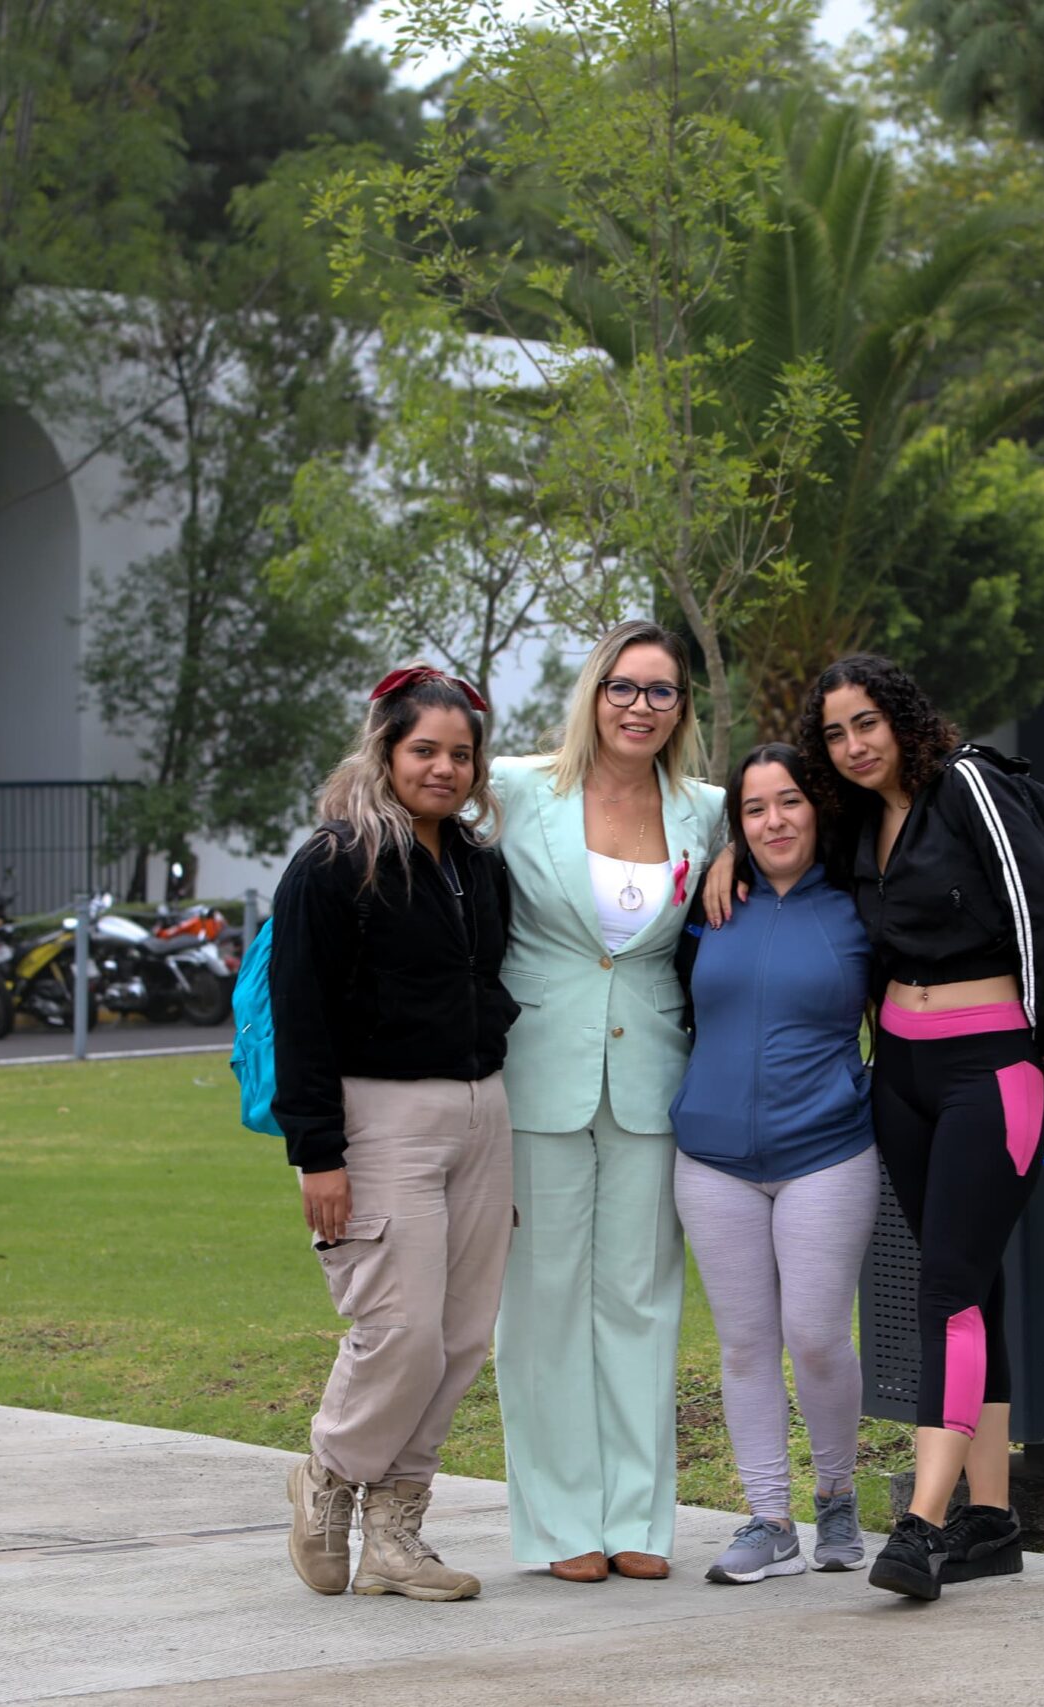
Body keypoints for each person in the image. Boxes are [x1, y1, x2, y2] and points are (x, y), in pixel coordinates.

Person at [800, 653, 1044, 1601]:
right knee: (969, 1282)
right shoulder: (858, 821)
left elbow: (1039, 909)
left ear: (902, 717)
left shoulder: (967, 785)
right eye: (835, 733)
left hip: (991, 1070)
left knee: (947, 1289)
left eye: (866, 722)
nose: (854, 745)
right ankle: (991, 1518)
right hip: (901, 1072)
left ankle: (923, 1522)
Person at [267, 664, 518, 1602]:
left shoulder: (478, 865)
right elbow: (300, 1015)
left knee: (460, 1336)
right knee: (400, 1329)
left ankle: (395, 1533)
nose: (444, 768)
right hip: (379, 1120)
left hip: (483, 1110)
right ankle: (329, 1471)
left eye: (461, 754)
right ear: (386, 750)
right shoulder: (334, 864)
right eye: (425, 750)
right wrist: (317, 1153)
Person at [488, 620, 725, 1582]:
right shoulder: (512, 788)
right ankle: (560, 1526)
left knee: (642, 1300)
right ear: (594, 693)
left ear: (681, 708)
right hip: (535, 1071)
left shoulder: (708, 811)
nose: (639, 706)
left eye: (661, 691)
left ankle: (637, 1520)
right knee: (540, 1303)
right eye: (622, 686)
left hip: (653, 1080)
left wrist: (734, 863)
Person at [668, 743, 878, 1584]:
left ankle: (836, 1494)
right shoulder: (711, 900)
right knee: (746, 1344)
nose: (773, 820)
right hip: (711, 1158)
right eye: (753, 809)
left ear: (818, 806)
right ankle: (768, 1518)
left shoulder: (860, 901)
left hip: (827, 1149)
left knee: (817, 1337)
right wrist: (724, 859)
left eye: (788, 800)